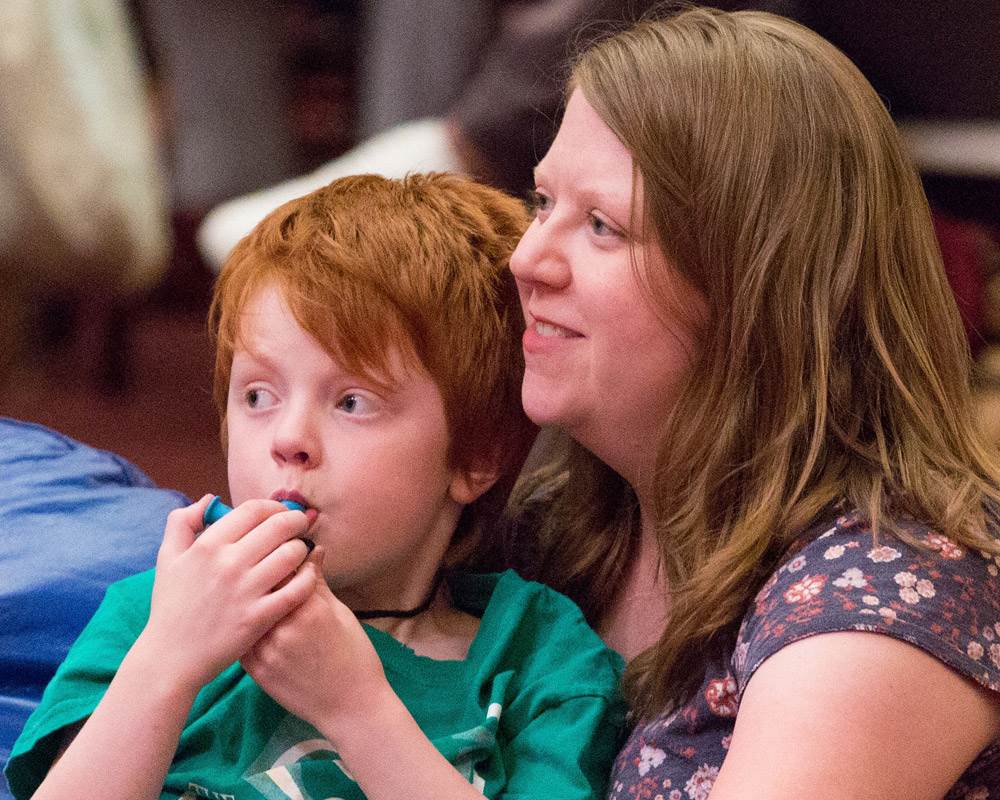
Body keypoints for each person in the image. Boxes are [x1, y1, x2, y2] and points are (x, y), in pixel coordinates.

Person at [500, 7, 1000, 798]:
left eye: (600, 225)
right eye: (540, 203)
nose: (527, 259)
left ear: (751, 292)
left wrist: (360, 712)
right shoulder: (559, 522)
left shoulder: (879, 600)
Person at [4, 173, 625, 800]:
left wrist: (357, 710)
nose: (288, 438)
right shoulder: (155, 615)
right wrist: (167, 662)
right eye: (258, 396)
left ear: (476, 455)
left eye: (352, 401)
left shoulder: (543, 661)